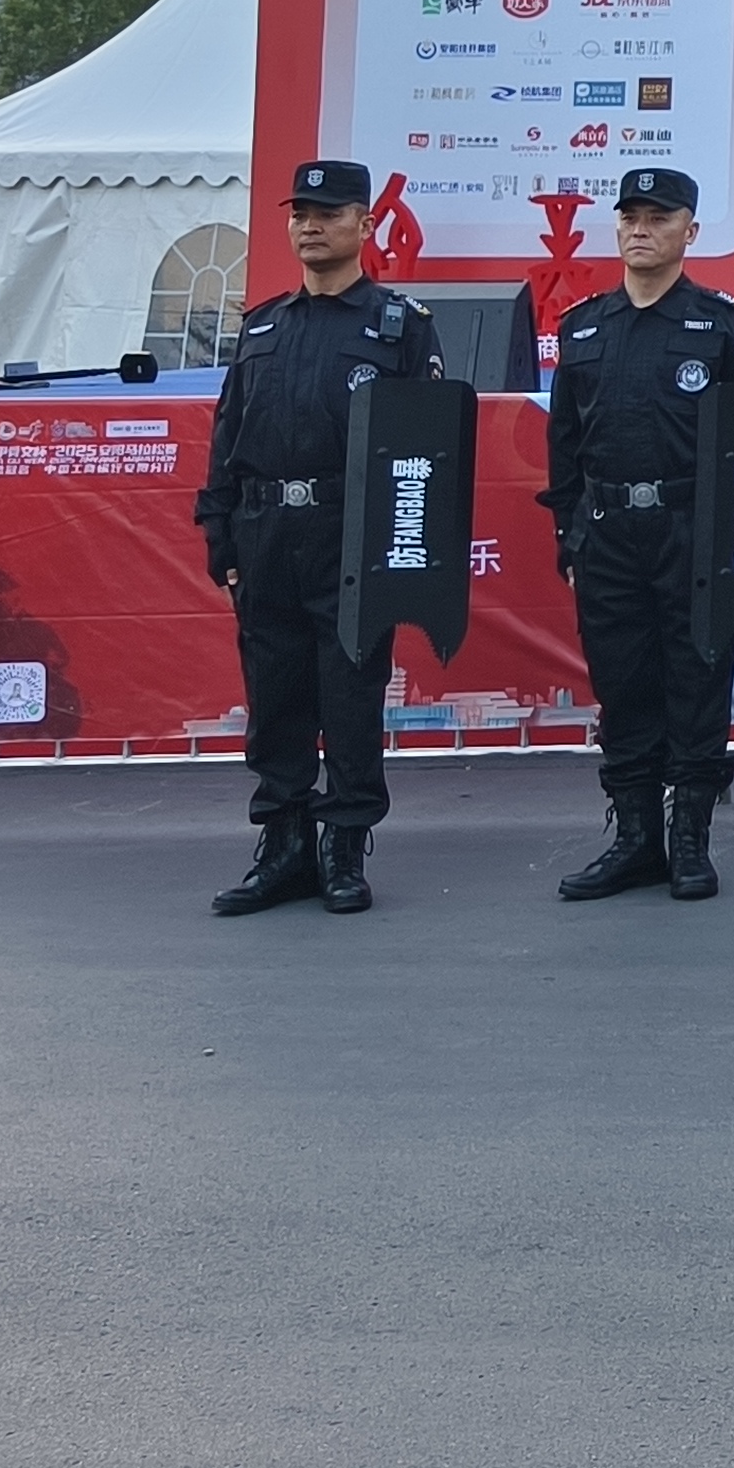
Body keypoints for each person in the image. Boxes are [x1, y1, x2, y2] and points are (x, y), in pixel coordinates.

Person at [192, 158, 445, 919]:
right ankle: (283, 848)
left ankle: (343, 850)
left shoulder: (400, 326)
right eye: (299, 212)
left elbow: (424, 452)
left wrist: (403, 549)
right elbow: (229, 434)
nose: (310, 225)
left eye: (328, 213)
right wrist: (220, 532)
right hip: (266, 531)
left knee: (349, 697)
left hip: (351, 534)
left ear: (364, 225)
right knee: (275, 700)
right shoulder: (264, 324)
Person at [538, 168, 734, 905]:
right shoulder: (583, 327)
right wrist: (570, 534)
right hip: (608, 535)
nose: (641, 228)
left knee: (697, 680)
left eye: (659, 217)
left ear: (689, 232)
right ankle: (636, 839)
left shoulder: (724, 328)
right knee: (623, 685)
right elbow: (564, 446)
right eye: (631, 216)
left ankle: (690, 839)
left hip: (692, 531)